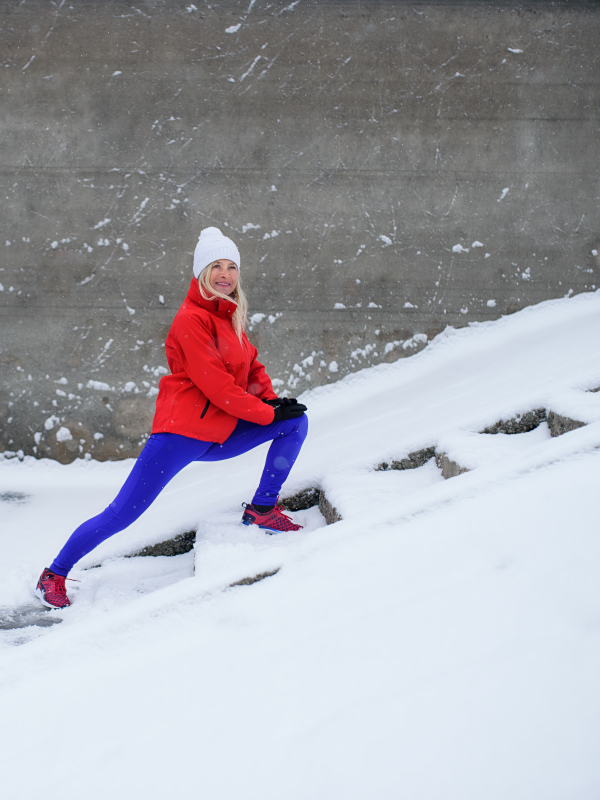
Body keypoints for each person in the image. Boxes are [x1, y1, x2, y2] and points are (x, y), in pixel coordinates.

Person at [35, 226, 308, 609]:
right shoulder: (191, 320)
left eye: (231, 267)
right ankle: (54, 574)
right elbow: (217, 387)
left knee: (295, 423)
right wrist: (264, 413)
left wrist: (275, 403)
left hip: (222, 432)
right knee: (121, 514)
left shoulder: (231, 316)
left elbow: (250, 368)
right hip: (181, 435)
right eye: (216, 266)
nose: (225, 274)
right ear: (202, 272)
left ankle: (262, 509)